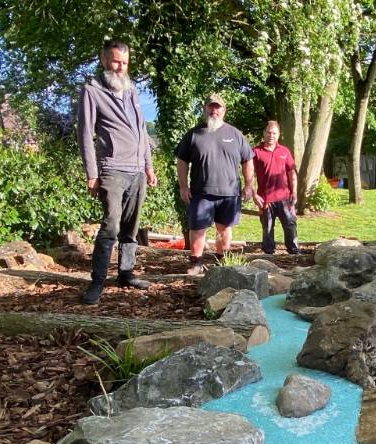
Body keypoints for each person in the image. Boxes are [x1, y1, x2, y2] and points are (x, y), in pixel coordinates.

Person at [77, 39, 157, 305]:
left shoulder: (131, 90)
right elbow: (85, 135)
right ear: (104, 60)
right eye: (116, 62)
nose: (121, 67)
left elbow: (142, 131)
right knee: (111, 224)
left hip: (137, 171)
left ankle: (126, 274)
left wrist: (148, 165)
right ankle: (97, 282)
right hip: (112, 169)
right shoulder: (92, 91)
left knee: (131, 227)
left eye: (125, 62)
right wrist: (92, 173)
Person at [175, 94, 254, 275]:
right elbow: (182, 161)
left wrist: (249, 185)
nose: (214, 110)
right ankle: (196, 263)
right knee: (197, 228)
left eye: (217, 107)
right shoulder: (194, 134)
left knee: (225, 228)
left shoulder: (235, 134)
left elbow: (248, 160)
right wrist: (183, 186)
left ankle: (222, 261)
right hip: (200, 192)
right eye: (211, 107)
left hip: (229, 192)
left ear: (223, 110)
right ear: (205, 109)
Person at [252, 120, 299, 254]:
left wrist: (294, 192)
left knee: (290, 225)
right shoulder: (255, 152)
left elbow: (291, 172)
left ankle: (294, 252)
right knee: (267, 228)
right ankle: (268, 254)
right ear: (264, 133)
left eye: (274, 133)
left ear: (278, 135)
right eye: (269, 132)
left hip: (284, 198)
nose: (271, 135)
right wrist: (254, 194)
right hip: (265, 199)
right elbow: (250, 175)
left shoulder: (285, 151)